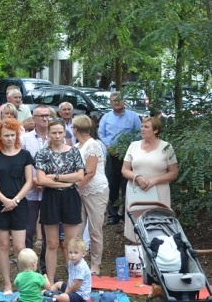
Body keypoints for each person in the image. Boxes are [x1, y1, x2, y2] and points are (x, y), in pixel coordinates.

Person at [0, 118, 34, 294]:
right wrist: (4, 200)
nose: (9, 138)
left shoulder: (25, 155)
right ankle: (7, 283)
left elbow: (29, 181)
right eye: (6, 135)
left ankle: (24, 282)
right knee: (3, 245)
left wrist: (15, 201)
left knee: (20, 247)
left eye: (12, 135)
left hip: (19, 205)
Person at [35, 119, 85, 284]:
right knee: (52, 243)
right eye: (53, 132)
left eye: (60, 132)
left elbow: (79, 175)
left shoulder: (73, 151)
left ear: (65, 133)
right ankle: (49, 280)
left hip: (70, 197)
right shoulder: (43, 153)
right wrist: (66, 181)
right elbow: (41, 180)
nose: (57, 136)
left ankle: (73, 280)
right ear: (48, 134)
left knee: (70, 244)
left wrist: (56, 177)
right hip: (51, 198)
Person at [121, 116, 178, 242]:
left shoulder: (166, 147)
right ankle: (137, 256)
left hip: (159, 192)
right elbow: (124, 170)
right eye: (142, 126)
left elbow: (173, 173)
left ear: (156, 130)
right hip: (137, 191)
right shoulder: (133, 146)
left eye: (146, 127)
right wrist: (138, 177)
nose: (142, 129)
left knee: (159, 227)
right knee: (137, 225)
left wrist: (154, 180)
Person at [73, 115, 108, 275]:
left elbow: (91, 172)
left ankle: (95, 264)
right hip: (80, 191)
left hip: (96, 191)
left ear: (75, 129)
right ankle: (78, 262)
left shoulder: (92, 145)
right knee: (77, 230)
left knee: (95, 229)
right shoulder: (76, 146)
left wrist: (74, 186)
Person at [98, 91, 140, 225]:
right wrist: (109, 146)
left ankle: (127, 213)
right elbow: (101, 133)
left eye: (119, 100)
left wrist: (126, 147)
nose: (116, 103)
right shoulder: (106, 117)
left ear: (124, 101)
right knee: (112, 185)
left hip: (128, 156)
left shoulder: (133, 117)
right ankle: (113, 214)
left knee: (127, 185)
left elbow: (138, 134)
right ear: (110, 103)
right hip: (111, 156)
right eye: (113, 101)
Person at [21, 105, 51, 253]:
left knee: (48, 232)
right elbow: (20, 163)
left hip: (50, 190)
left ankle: (46, 267)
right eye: (41, 116)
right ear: (34, 119)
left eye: (47, 115)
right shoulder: (25, 139)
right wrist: (33, 180)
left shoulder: (56, 137)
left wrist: (46, 181)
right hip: (30, 191)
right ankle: (28, 266)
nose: (45, 118)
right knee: (28, 230)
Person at [49, 237, 92, 302]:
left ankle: (53, 297)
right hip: (72, 288)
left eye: (76, 253)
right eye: (70, 252)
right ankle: (47, 292)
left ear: (83, 254)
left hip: (81, 295)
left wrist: (66, 293)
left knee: (62, 298)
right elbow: (70, 277)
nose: (72, 255)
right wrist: (67, 290)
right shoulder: (71, 262)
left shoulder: (81, 266)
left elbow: (77, 285)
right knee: (58, 284)